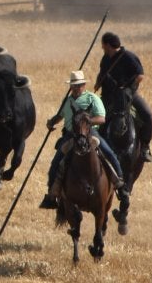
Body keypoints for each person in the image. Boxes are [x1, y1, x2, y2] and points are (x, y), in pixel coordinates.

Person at [39, 70, 125, 209]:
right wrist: (51, 122)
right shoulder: (67, 100)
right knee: (56, 162)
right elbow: (60, 116)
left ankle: (120, 183)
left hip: (90, 133)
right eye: (74, 85)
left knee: (108, 153)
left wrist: (86, 122)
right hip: (70, 134)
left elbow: (101, 118)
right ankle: (52, 194)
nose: (76, 88)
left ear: (84, 85)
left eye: (79, 85)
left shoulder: (92, 98)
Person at [95, 32, 152, 162]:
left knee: (147, 114)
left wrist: (127, 87)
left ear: (108, 45)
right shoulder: (105, 59)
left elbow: (140, 75)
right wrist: (98, 82)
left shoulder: (128, 57)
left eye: (103, 45)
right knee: (93, 115)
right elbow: (102, 74)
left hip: (127, 96)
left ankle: (144, 147)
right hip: (108, 96)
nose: (102, 48)